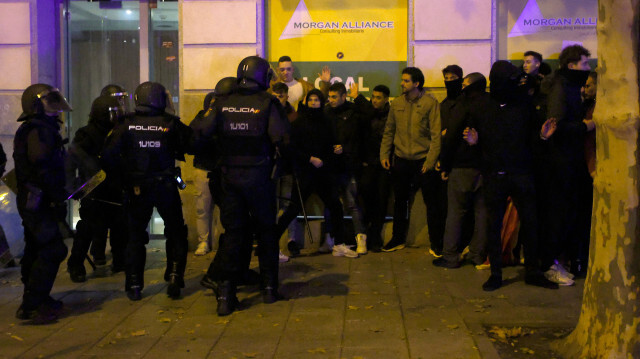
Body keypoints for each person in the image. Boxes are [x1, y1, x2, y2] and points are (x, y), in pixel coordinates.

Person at [198, 56, 290, 316]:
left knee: (234, 234)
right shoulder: (268, 103)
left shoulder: (222, 103)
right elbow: (282, 138)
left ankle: (226, 295)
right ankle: (270, 289)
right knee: (266, 232)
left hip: (230, 180)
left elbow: (200, 133)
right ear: (263, 76)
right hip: (260, 178)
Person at [463, 61, 558, 291]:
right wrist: (473, 143)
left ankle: (533, 271)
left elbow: (534, 141)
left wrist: (543, 138)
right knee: (493, 225)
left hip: (522, 173)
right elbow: (474, 139)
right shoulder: (481, 106)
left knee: (531, 223)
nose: (518, 83)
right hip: (494, 175)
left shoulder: (524, 105)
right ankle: (496, 273)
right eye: (513, 80)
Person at [102, 81, 194, 301]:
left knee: (134, 236)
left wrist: (124, 177)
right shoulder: (170, 123)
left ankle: (134, 283)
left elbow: (108, 156)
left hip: (137, 188)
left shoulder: (125, 124)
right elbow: (191, 145)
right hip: (166, 185)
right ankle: (174, 276)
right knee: (176, 232)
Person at [13, 84, 72, 322]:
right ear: (36, 105)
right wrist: (57, 194)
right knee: (52, 249)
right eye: (49, 101)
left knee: (36, 249)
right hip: (38, 200)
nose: (55, 107)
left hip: (35, 199)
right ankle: (32, 305)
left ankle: (37, 297)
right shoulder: (38, 130)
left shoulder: (40, 128)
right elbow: (42, 165)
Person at [540, 45, 593, 286]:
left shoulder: (568, 86)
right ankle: (550, 264)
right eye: (584, 63)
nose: (587, 68)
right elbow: (557, 125)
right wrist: (586, 126)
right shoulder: (561, 88)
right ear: (571, 66)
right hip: (561, 161)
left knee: (567, 213)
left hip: (568, 160)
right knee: (558, 214)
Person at [379, 67, 444, 254]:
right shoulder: (397, 103)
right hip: (401, 160)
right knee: (400, 202)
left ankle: (436, 243)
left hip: (423, 161)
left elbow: (435, 136)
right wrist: (384, 154)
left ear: (417, 83)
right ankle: (398, 239)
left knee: (432, 204)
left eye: (406, 81)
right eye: (402, 80)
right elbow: (389, 131)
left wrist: (430, 161)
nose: (402, 83)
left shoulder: (430, 104)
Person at [66, 94, 128, 282]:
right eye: (112, 113)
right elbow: (73, 160)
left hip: (115, 187)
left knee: (119, 227)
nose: (115, 116)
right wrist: (75, 186)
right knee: (87, 229)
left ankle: (119, 260)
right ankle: (76, 264)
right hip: (95, 189)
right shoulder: (87, 134)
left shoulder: (120, 131)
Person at [434, 73, 488, 268]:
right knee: (482, 213)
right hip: (485, 167)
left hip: (462, 166)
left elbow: (451, 136)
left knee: (456, 212)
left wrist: (445, 164)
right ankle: (477, 255)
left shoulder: (462, 105)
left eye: (464, 83)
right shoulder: (491, 104)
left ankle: (450, 256)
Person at [324, 82, 367, 256]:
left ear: (344, 96)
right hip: (331, 166)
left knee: (352, 202)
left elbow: (360, 136)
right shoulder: (326, 112)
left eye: (334, 97)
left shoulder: (354, 112)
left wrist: (345, 150)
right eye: (329, 97)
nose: (331, 100)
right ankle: (330, 240)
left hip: (348, 164)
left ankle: (360, 238)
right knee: (331, 204)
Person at [354, 84, 391, 252]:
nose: (374, 100)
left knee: (381, 200)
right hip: (368, 163)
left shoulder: (391, 114)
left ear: (386, 99)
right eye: (373, 97)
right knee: (365, 196)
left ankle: (375, 237)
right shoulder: (368, 113)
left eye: (378, 98)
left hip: (384, 163)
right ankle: (367, 233)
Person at [271, 82, 300, 259]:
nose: (278, 99)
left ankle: (291, 240)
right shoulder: (268, 113)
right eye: (275, 96)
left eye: (281, 96)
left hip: (288, 166)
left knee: (288, 205)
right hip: (273, 166)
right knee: (273, 206)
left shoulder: (293, 116)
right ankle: (274, 244)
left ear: (286, 97)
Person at [191, 91, 218, 256]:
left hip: (221, 170)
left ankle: (220, 242)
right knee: (203, 208)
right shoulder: (200, 119)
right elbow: (193, 136)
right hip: (203, 168)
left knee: (225, 210)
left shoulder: (223, 119)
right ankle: (203, 242)